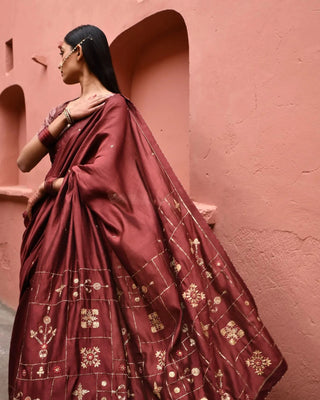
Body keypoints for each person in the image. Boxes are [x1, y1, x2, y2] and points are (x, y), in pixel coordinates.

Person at [9, 25, 286, 400]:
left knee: (110, 330)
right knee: (46, 325)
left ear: (80, 53)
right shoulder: (62, 111)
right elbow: (24, 162)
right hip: (57, 231)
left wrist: (49, 186)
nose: (58, 63)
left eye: (61, 53)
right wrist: (65, 121)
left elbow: (107, 176)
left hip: (97, 229)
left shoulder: (114, 107)